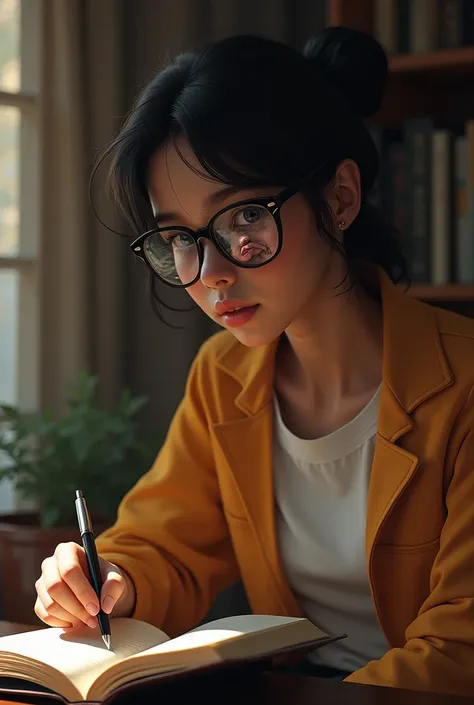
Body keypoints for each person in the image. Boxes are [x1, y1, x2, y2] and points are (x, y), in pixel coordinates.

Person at [34, 27, 474, 697]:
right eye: (179, 237)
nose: (209, 273)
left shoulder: (463, 384)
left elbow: (459, 650)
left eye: (243, 219)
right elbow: (167, 544)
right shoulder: (226, 379)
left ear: (340, 198)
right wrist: (111, 578)